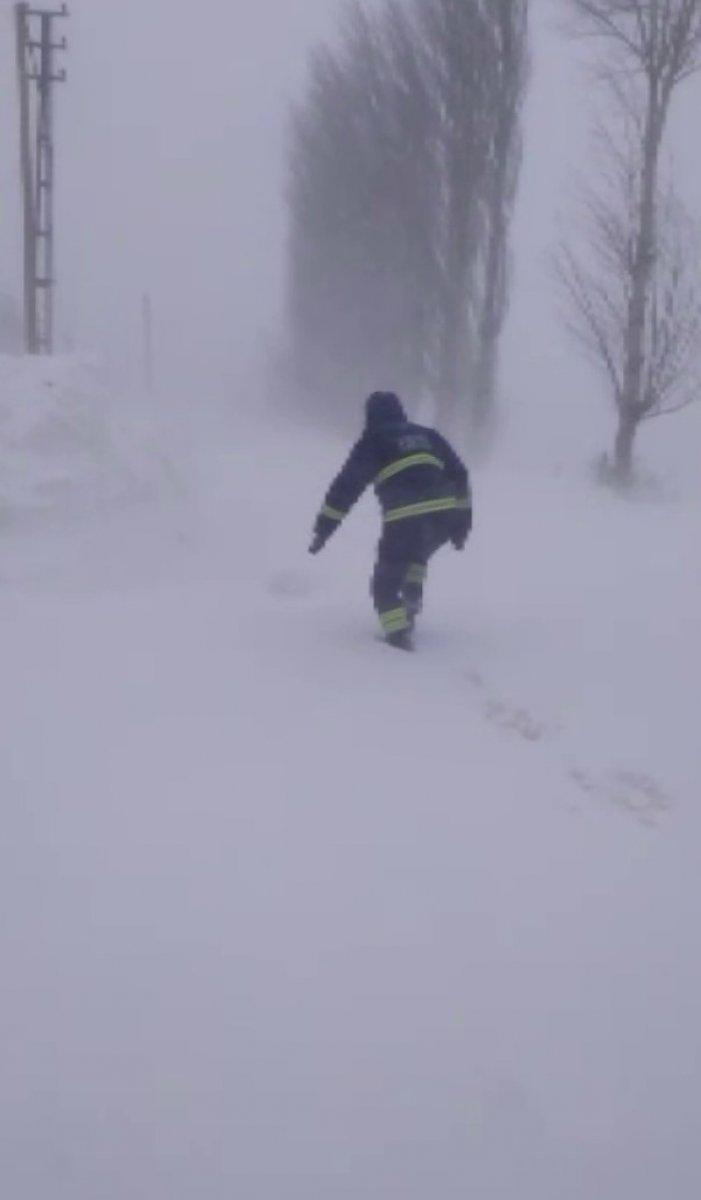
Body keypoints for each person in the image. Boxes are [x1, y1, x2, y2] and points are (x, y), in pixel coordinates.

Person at [309, 391, 472, 650]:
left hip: (406, 518)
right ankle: (411, 600)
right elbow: (459, 474)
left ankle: (397, 637)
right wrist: (462, 522)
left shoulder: (374, 439)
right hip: (444, 515)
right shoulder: (428, 435)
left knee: (384, 585)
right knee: (418, 554)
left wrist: (324, 529)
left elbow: (347, 486)